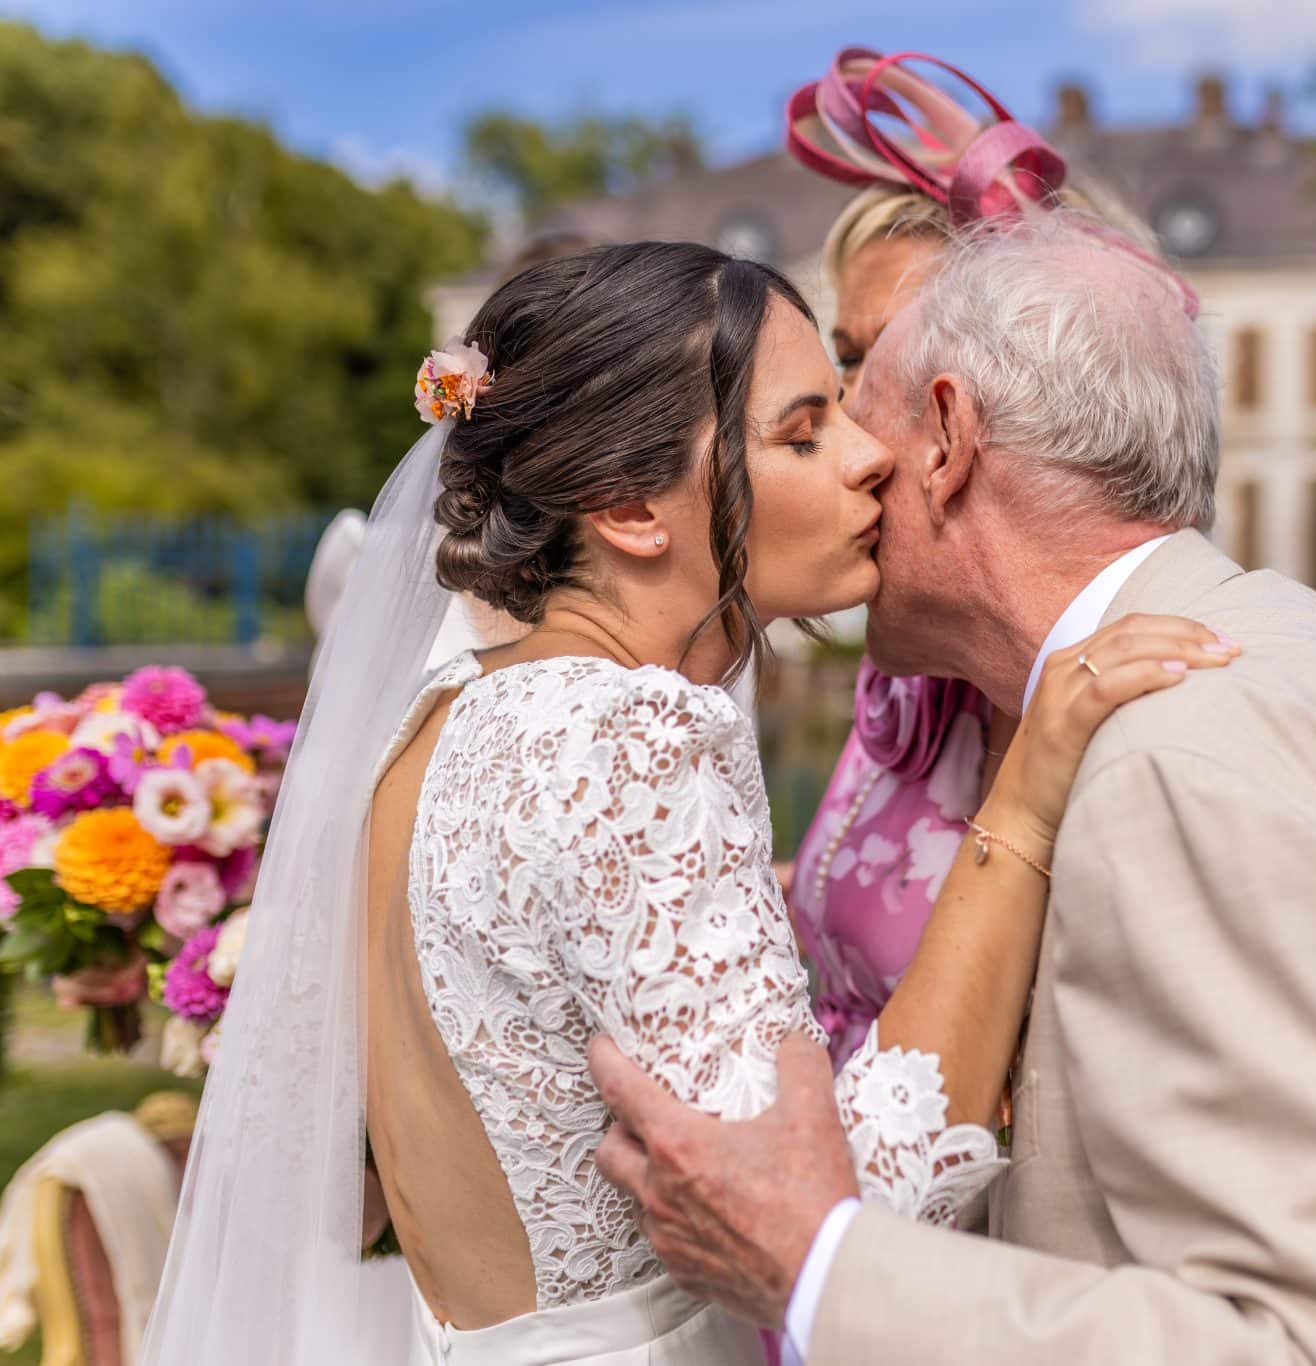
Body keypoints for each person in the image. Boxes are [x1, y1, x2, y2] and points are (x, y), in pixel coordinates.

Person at [589, 213, 1316, 1364]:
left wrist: (820, 1266)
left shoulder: (1169, 764)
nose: (853, 469)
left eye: (859, 409)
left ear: (948, 438)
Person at [139, 240, 1231, 1366]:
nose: (870, 459)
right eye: (802, 432)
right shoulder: (630, 739)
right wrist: (1026, 799)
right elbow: (841, 1214)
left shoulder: (441, 719)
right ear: (626, 507)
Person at [780, 48, 1160, 1066]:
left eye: (895, 358)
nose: (852, 426)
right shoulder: (908, 677)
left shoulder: (1145, 713)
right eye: (848, 360)